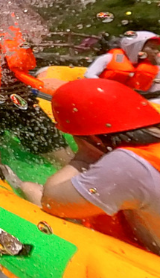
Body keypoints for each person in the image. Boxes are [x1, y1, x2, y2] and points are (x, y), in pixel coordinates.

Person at [14, 78, 160, 255]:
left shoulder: (129, 164)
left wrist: (85, 156)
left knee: (29, 188)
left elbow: (50, 200)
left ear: (94, 139)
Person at [0, 25, 71, 164]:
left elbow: (39, 34)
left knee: (66, 159)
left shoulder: (19, 21)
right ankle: (17, 182)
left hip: (22, 104)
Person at [85, 31, 160, 94]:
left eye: (157, 48)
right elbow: (88, 75)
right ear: (136, 47)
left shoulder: (154, 68)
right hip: (102, 95)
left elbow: (154, 91)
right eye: (152, 48)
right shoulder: (108, 58)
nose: (156, 51)